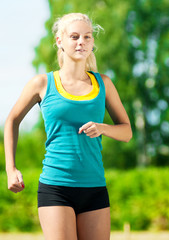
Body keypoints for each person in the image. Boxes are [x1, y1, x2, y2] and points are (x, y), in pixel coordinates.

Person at [4, 12, 132, 240]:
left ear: (92, 43)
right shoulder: (42, 83)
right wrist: (11, 168)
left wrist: (103, 128)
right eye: (74, 36)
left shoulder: (104, 84)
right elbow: (12, 120)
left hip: (95, 188)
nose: (81, 42)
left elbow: (126, 131)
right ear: (59, 41)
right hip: (56, 187)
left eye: (87, 37)